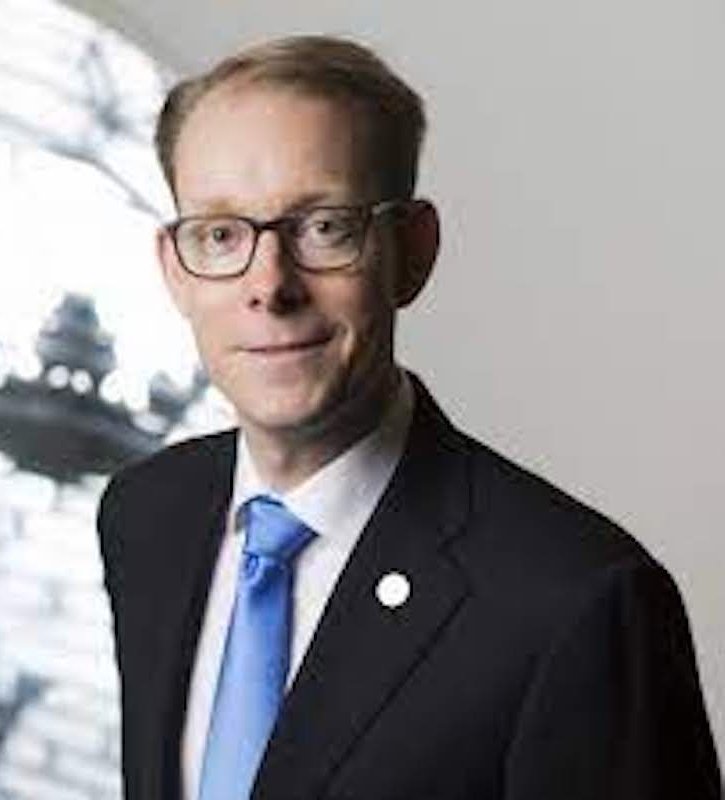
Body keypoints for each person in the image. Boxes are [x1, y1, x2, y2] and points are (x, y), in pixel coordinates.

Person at [96, 35, 721, 800]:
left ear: (413, 250)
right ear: (175, 270)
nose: (269, 286)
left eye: (323, 227)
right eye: (221, 235)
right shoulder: (146, 516)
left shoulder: (577, 603)